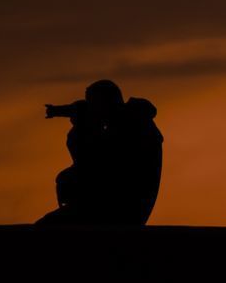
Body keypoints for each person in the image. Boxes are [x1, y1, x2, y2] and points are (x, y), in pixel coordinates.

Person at [37, 79, 163, 225]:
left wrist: (81, 131)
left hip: (117, 211)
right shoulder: (129, 122)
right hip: (112, 207)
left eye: (93, 104)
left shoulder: (131, 125)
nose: (92, 111)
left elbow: (97, 167)